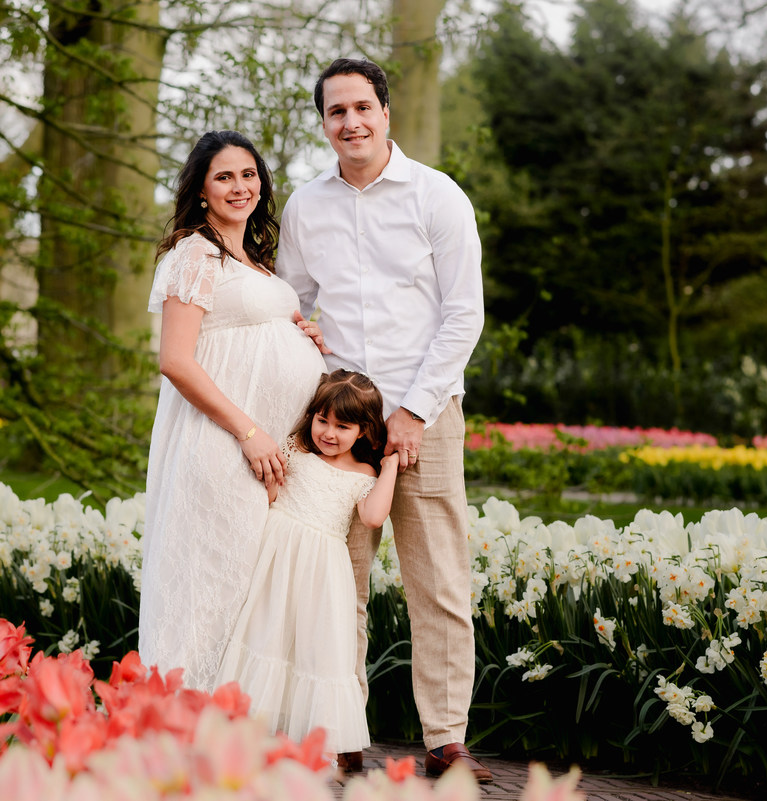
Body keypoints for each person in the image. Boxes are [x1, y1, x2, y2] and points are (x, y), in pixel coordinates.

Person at [277, 58, 491, 781]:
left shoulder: (438, 197)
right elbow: (292, 302)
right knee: (341, 586)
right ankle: (342, 734)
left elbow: (464, 314)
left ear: (386, 111)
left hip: (427, 413)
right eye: (336, 112)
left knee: (439, 584)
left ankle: (446, 739)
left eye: (362, 107)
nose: (351, 122)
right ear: (325, 122)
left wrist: (413, 408)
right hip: (339, 427)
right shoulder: (306, 207)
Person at [138, 130, 327, 691]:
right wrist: (250, 432)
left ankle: (230, 736)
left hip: (263, 453)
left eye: (249, 174)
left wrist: (300, 336)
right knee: (208, 588)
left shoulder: (252, 259)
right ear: (200, 190)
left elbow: (245, 335)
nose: (240, 186)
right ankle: (178, 724)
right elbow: (175, 360)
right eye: (224, 176)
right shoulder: (195, 252)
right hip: (222, 447)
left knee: (246, 595)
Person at [215, 369, 400, 758]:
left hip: (321, 569)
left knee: (312, 647)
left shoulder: (363, 473)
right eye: (322, 420)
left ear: (364, 431)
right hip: (277, 554)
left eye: (343, 426)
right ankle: (247, 732)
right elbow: (271, 492)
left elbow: (373, 517)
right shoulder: (297, 449)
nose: (329, 433)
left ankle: (312, 743)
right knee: (266, 631)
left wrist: (391, 466)